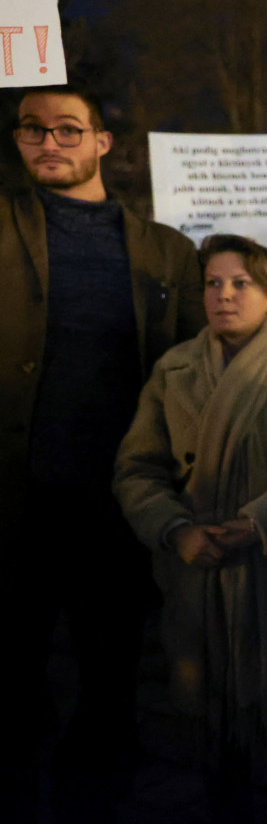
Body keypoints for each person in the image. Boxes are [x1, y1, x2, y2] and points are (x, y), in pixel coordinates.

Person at [0, 83, 205, 823]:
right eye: (32, 130)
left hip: (117, 505)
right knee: (13, 676)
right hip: (16, 500)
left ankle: (96, 796)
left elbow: (192, 370)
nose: (48, 143)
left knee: (111, 675)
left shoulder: (168, 252)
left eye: (66, 130)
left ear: (100, 142)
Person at [113, 234, 267, 823]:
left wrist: (258, 523)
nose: (224, 295)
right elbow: (137, 468)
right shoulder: (172, 372)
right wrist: (175, 530)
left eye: (241, 283)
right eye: (213, 283)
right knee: (215, 740)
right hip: (197, 578)